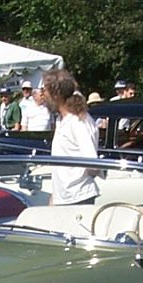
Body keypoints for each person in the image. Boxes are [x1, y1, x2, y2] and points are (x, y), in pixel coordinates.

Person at [42, 69, 100, 205]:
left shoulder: (79, 121)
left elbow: (92, 162)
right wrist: (55, 196)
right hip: (63, 197)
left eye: (45, 90)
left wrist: (76, 181)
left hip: (78, 197)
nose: (42, 94)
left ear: (56, 94)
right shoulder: (61, 120)